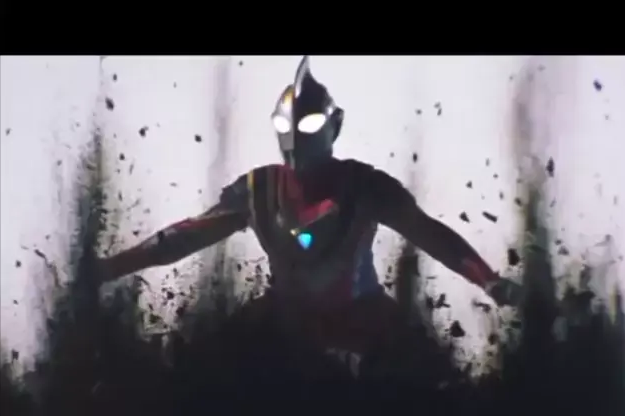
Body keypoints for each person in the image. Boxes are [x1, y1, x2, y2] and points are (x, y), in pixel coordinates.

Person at [97, 56, 522, 370]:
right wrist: (109, 268)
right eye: (287, 128)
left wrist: (489, 280)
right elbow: (187, 234)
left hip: (363, 318)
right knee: (203, 366)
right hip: (286, 320)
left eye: (309, 127)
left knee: (431, 378)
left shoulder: (365, 185)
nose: (297, 139)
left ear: (335, 126)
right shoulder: (258, 188)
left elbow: (430, 235)